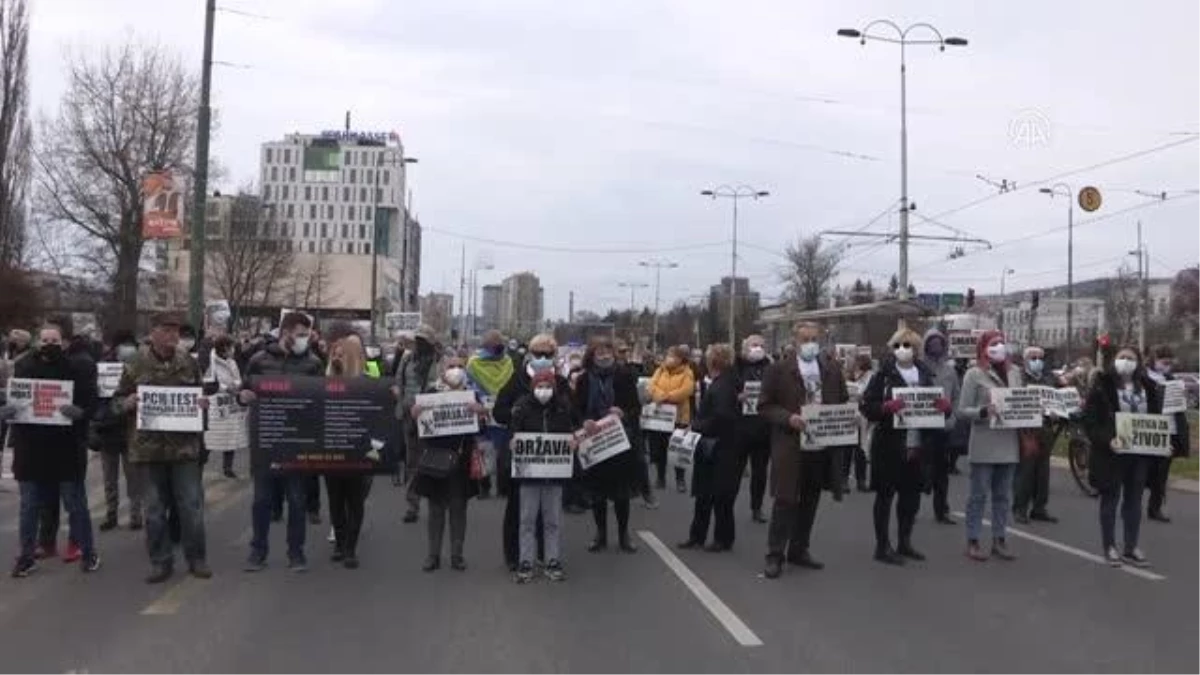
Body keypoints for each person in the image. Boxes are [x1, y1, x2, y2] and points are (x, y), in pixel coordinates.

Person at [115, 313, 212, 583]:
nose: (173, 336)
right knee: (155, 511)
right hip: (148, 450)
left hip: (184, 450)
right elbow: (116, 402)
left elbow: (201, 397)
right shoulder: (135, 363)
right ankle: (161, 561)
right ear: (153, 333)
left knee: (191, 507)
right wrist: (127, 403)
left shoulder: (189, 364)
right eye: (167, 330)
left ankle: (197, 558)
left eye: (176, 331)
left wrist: (202, 406)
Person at [3, 320, 101, 577]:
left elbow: (92, 400)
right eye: (45, 341)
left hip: (65, 449)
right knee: (29, 507)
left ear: (64, 342)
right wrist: (8, 411)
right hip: (31, 450)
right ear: (37, 342)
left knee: (75, 505)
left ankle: (88, 553)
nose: (49, 345)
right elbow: (15, 398)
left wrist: (81, 413)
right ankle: (26, 557)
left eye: (54, 341)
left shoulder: (75, 368)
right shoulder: (24, 366)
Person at [760, 322, 849, 579]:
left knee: (811, 499)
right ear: (795, 342)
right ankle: (775, 554)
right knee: (785, 500)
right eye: (805, 339)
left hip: (820, 445)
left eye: (814, 338)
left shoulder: (831, 369)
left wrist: (848, 416)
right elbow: (765, 406)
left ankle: (799, 549)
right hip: (790, 444)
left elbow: (842, 400)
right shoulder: (778, 370)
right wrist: (788, 418)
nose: (810, 343)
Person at [239, 312, 324, 573]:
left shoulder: (313, 363)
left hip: (297, 442)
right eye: (299, 334)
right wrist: (243, 396)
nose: (303, 339)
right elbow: (243, 390)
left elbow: (323, 397)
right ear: (285, 332)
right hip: (266, 441)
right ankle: (258, 551)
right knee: (262, 500)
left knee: (297, 501)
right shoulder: (259, 360)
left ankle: (296, 553)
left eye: (306, 334)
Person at [861, 328, 953, 565]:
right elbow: (868, 407)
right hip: (890, 444)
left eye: (908, 345)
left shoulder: (925, 374)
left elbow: (937, 408)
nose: (903, 350)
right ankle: (882, 546)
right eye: (899, 345)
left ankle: (905, 541)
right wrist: (885, 408)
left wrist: (946, 408)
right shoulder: (882, 376)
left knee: (911, 497)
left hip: (919, 444)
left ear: (917, 349)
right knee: (885, 496)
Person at [1084, 344, 1160, 567]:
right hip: (1112, 454)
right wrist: (1107, 440)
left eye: (1131, 357)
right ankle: (1109, 546)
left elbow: (1157, 420)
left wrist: (1163, 443)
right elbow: (1091, 422)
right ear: (1114, 360)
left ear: (1138, 363)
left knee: (1134, 501)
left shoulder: (1148, 386)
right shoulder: (1102, 386)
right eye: (1122, 357)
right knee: (1111, 500)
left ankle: (1130, 547)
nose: (1126, 361)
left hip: (1139, 454)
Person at [493, 334, 563, 571]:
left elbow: (572, 414)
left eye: (547, 354)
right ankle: (515, 556)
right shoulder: (517, 380)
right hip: (523, 458)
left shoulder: (560, 383)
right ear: (529, 354)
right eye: (538, 354)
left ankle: (545, 553)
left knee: (548, 511)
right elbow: (498, 411)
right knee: (517, 509)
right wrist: (514, 413)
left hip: (553, 459)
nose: (542, 358)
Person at [412, 357, 487, 571]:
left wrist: (480, 413)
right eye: (451, 366)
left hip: (461, 460)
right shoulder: (430, 394)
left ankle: (457, 554)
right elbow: (417, 429)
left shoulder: (471, 396)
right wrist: (415, 414)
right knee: (435, 509)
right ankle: (433, 555)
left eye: (460, 366)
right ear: (442, 371)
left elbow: (480, 431)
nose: (456, 370)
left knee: (458, 508)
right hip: (435, 459)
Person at [509, 368, 579, 582]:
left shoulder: (562, 408)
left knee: (553, 520)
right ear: (533, 388)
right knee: (527, 520)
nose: (544, 390)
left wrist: (573, 442)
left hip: (554, 474)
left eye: (548, 386)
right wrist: (512, 443)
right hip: (529, 474)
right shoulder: (522, 407)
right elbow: (513, 432)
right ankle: (526, 562)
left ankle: (552, 560)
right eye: (540, 386)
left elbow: (571, 430)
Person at [958, 330, 1022, 562]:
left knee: (1003, 496)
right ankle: (973, 540)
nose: (999, 347)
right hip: (985, 443)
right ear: (984, 348)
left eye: (1002, 342)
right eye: (994, 343)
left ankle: (999, 539)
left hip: (1009, 443)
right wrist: (983, 411)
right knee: (978, 495)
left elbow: (1021, 402)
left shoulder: (1015, 372)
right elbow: (962, 410)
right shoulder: (973, 374)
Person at [573, 337, 641, 553]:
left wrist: (623, 412)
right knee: (597, 492)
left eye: (607, 352)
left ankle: (624, 535)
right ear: (591, 356)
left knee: (621, 493)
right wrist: (584, 421)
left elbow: (635, 408)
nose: (604, 357)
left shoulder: (625, 376)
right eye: (599, 353)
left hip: (619, 440)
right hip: (594, 441)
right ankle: (600, 534)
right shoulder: (583, 379)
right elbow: (576, 409)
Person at [678, 344, 742, 552]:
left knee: (718, 495)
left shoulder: (722, 385)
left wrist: (696, 426)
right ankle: (699, 535)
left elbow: (721, 417)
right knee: (706, 494)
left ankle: (721, 539)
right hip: (716, 446)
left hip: (718, 447)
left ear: (714, 361)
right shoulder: (724, 382)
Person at [323, 328, 376, 569]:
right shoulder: (324, 382)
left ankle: (350, 548)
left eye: (342, 354)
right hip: (332, 450)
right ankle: (340, 542)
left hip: (358, 451)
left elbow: (377, 416)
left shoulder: (366, 383)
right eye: (335, 354)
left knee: (355, 501)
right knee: (335, 501)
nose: (337, 358)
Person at [94, 331, 144, 531]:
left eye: (129, 344)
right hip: (109, 429)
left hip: (131, 428)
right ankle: (111, 514)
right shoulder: (103, 367)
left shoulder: (141, 366)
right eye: (122, 345)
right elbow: (97, 399)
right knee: (109, 477)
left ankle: (135, 515)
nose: (126, 349)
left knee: (134, 477)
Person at [395, 325, 443, 523]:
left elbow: (441, 386)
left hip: (429, 417)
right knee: (412, 460)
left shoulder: (438, 361)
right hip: (408, 414)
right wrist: (399, 395)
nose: (419, 344)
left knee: (430, 459)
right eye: (418, 340)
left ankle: (434, 500)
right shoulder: (407, 358)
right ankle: (412, 504)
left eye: (423, 340)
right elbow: (399, 379)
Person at [466, 330, 516, 500]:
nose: (497, 346)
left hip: (500, 408)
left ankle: (501, 487)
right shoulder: (474, 363)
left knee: (502, 449)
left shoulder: (508, 362)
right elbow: (469, 386)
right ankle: (485, 485)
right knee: (483, 448)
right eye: (495, 343)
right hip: (483, 408)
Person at [1013, 345, 1060, 525]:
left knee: (1043, 471)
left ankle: (1039, 507)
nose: (1037, 361)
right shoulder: (1020, 379)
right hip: (1027, 429)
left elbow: (1055, 400)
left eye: (1040, 358)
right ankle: (1020, 508)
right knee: (1026, 470)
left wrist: (1057, 412)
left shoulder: (1048, 379)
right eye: (1033, 358)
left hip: (1046, 427)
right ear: (1025, 360)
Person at [1144, 344, 1190, 523]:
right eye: (1164, 362)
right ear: (1155, 360)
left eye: (1169, 363)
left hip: (1169, 430)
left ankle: (1154, 507)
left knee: (1162, 472)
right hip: (1150, 429)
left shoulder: (1171, 379)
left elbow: (1178, 408)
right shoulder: (1144, 378)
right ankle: (1132, 499)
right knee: (1145, 469)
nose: (1167, 365)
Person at [921, 329, 962, 524]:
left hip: (943, 429)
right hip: (922, 428)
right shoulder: (918, 367)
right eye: (932, 343)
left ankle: (941, 510)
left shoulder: (950, 371)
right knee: (918, 471)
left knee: (941, 473)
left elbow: (956, 397)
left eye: (939, 343)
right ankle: (909, 510)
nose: (935, 346)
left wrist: (952, 418)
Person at [647, 346, 696, 493]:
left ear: (681, 359)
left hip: (679, 417)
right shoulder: (660, 370)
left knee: (679, 450)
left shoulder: (687, 372)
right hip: (661, 418)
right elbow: (651, 386)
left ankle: (680, 479)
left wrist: (667, 397)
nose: (669, 359)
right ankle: (660, 478)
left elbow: (687, 390)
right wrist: (659, 395)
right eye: (668, 355)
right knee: (660, 448)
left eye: (673, 356)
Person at [736, 335, 772, 523]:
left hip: (763, 427)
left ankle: (757, 507)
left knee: (760, 472)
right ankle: (727, 504)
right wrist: (737, 396)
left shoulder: (771, 368)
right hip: (741, 427)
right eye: (754, 345)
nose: (757, 348)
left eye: (761, 345)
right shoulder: (736, 367)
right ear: (745, 348)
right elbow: (727, 389)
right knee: (734, 470)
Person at [205, 335, 247, 480]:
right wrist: (224, 387)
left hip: (230, 403)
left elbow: (238, 379)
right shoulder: (210, 362)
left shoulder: (232, 362)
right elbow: (209, 382)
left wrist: (236, 386)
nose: (233, 350)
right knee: (211, 435)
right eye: (231, 347)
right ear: (224, 348)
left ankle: (228, 467)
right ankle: (202, 460)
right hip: (215, 404)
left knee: (230, 435)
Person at [845, 354, 873, 494]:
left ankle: (861, 480)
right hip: (848, 416)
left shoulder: (870, 378)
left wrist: (863, 399)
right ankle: (844, 480)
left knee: (861, 449)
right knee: (847, 449)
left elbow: (872, 394)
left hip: (862, 416)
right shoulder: (849, 377)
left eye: (859, 363)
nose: (857, 365)